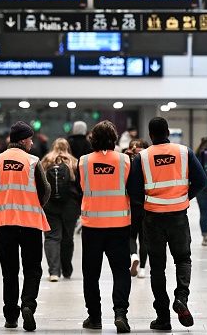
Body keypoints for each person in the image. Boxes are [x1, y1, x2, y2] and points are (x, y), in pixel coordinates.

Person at [128, 117, 207, 331]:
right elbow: (201, 181)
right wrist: (183, 197)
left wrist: (147, 202)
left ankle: (163, 317)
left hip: (153, 217)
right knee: (183, 259)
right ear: (168, 132)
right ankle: (181, 297)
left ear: (150, 135)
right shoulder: (184, 152)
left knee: (157, 268)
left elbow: (133, 191)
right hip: (178, 216)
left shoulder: (142, 157)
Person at [0, 121, 51, 331]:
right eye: (30, 139)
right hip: (30, 224)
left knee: (9, 271)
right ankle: (28, 305)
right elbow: (45, 190)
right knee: (32, 270)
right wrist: (34, 204)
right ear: (23, 139)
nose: (32, 142)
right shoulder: (32, 161)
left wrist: (1, 204)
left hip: (5, 224)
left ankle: (11, 316)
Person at [78, 120, 132, 333]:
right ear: (114, 139)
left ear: (92, 139)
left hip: (92, 225)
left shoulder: (83, 162)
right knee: (121, 271)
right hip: (119, 225)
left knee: (91, 274)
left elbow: (81, 187)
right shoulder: (124, 160)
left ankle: (94, 317)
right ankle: (120, 312)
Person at [40, 138, 81, 282]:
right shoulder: (74, 162)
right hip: (70, 205)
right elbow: (79, 185)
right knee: (68, 236)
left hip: (50, 204)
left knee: (51, 236)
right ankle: (67, 269)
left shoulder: (45, 161)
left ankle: (53, 272)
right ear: (68, 148)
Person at [125, 138, 150, 278]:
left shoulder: (125, 160)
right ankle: (142, 269)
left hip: (129, 204)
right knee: (144, 238)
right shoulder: (148, 160)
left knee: (131, 235)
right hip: (146, 203)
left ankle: (133, 255)